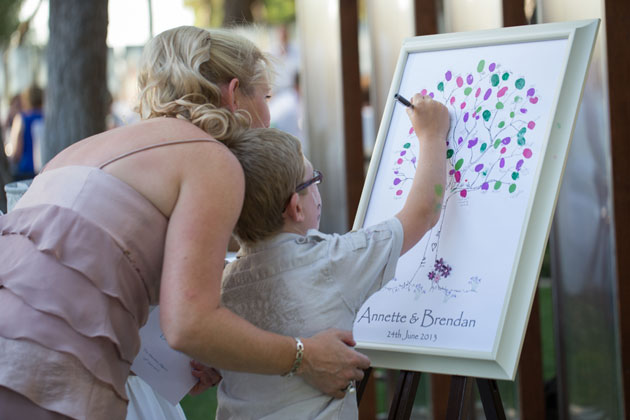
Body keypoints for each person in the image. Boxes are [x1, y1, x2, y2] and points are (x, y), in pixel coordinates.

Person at [0, 26, 369, 420]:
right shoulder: (209, 159)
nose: (267, 118)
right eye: (265, 97)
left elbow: (76, 287)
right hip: (49, 373)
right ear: (232, 94)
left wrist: (191, 356)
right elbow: (189, 324)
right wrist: (304, 356)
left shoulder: (82, 150)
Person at [218, 93, 449, 419]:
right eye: (314, 181)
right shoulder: (331, 262)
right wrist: (432, 135)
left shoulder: (223, 288)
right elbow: (424, 211)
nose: (318, 191)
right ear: (296, 207)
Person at [6, 84, 45, 180]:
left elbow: (16, 153)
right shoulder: (48, 117)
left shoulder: (21, 118)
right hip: (46, 169)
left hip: (26, 172)